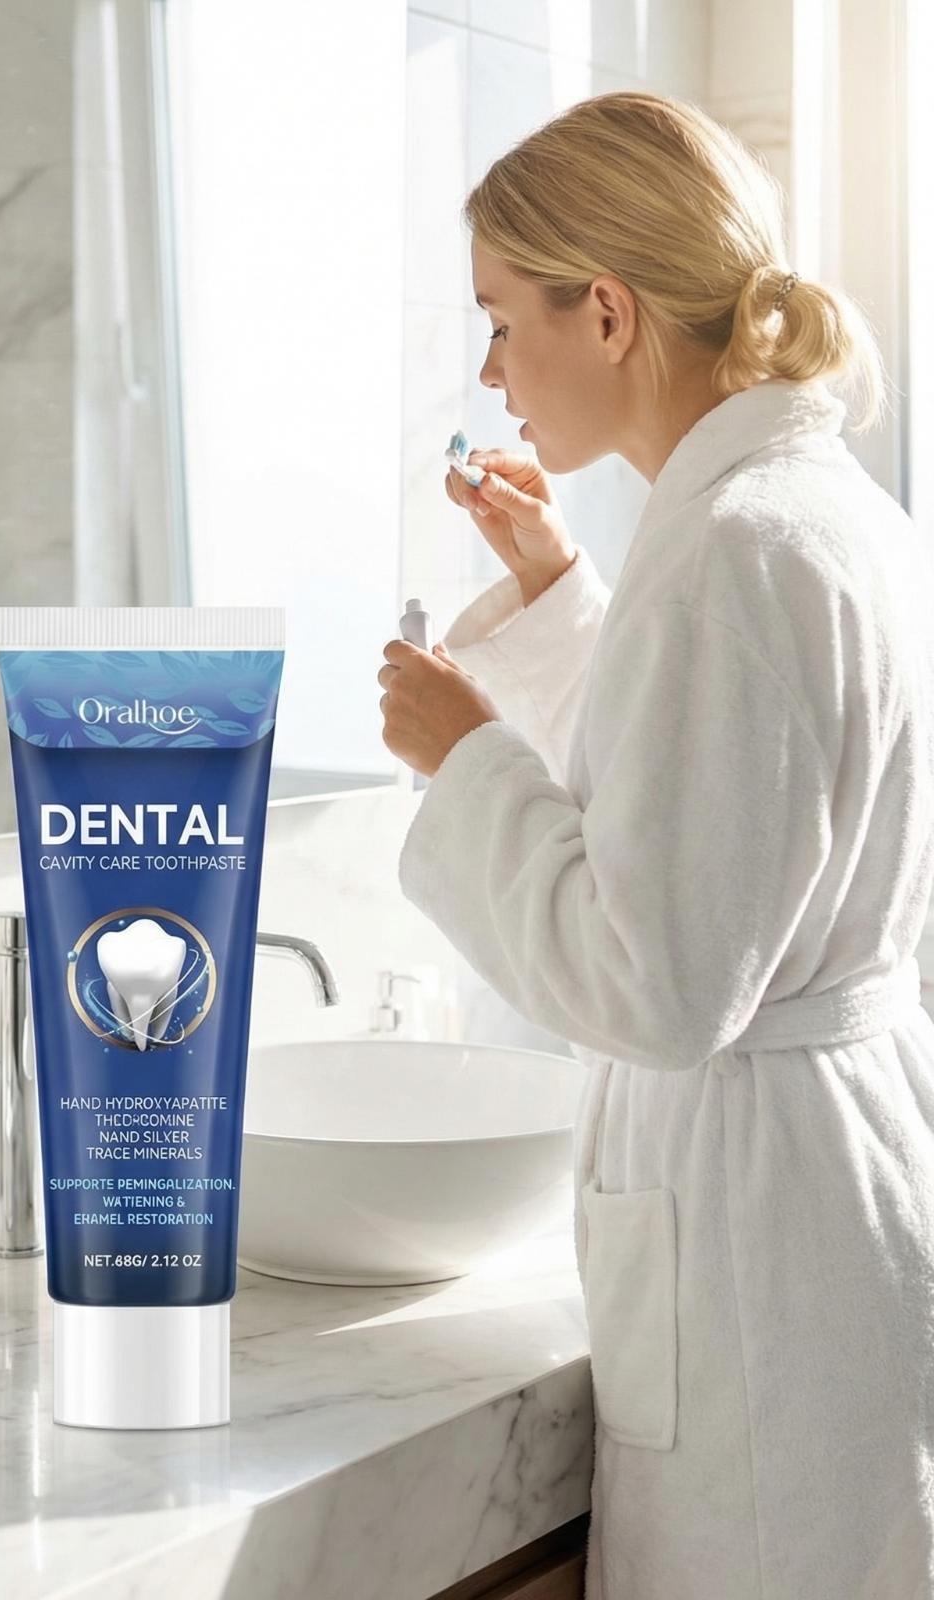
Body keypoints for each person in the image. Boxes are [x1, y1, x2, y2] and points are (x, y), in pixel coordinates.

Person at [378, 92, 934, 1598]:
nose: (490, 371)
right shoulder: (811, 512)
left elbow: (664, 979)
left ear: (608, 313)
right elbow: (719, 810)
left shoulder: (734, 548)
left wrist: (465, 753)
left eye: (502, 320)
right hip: (839, 1186)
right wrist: (558, 593)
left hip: (766, 1244)